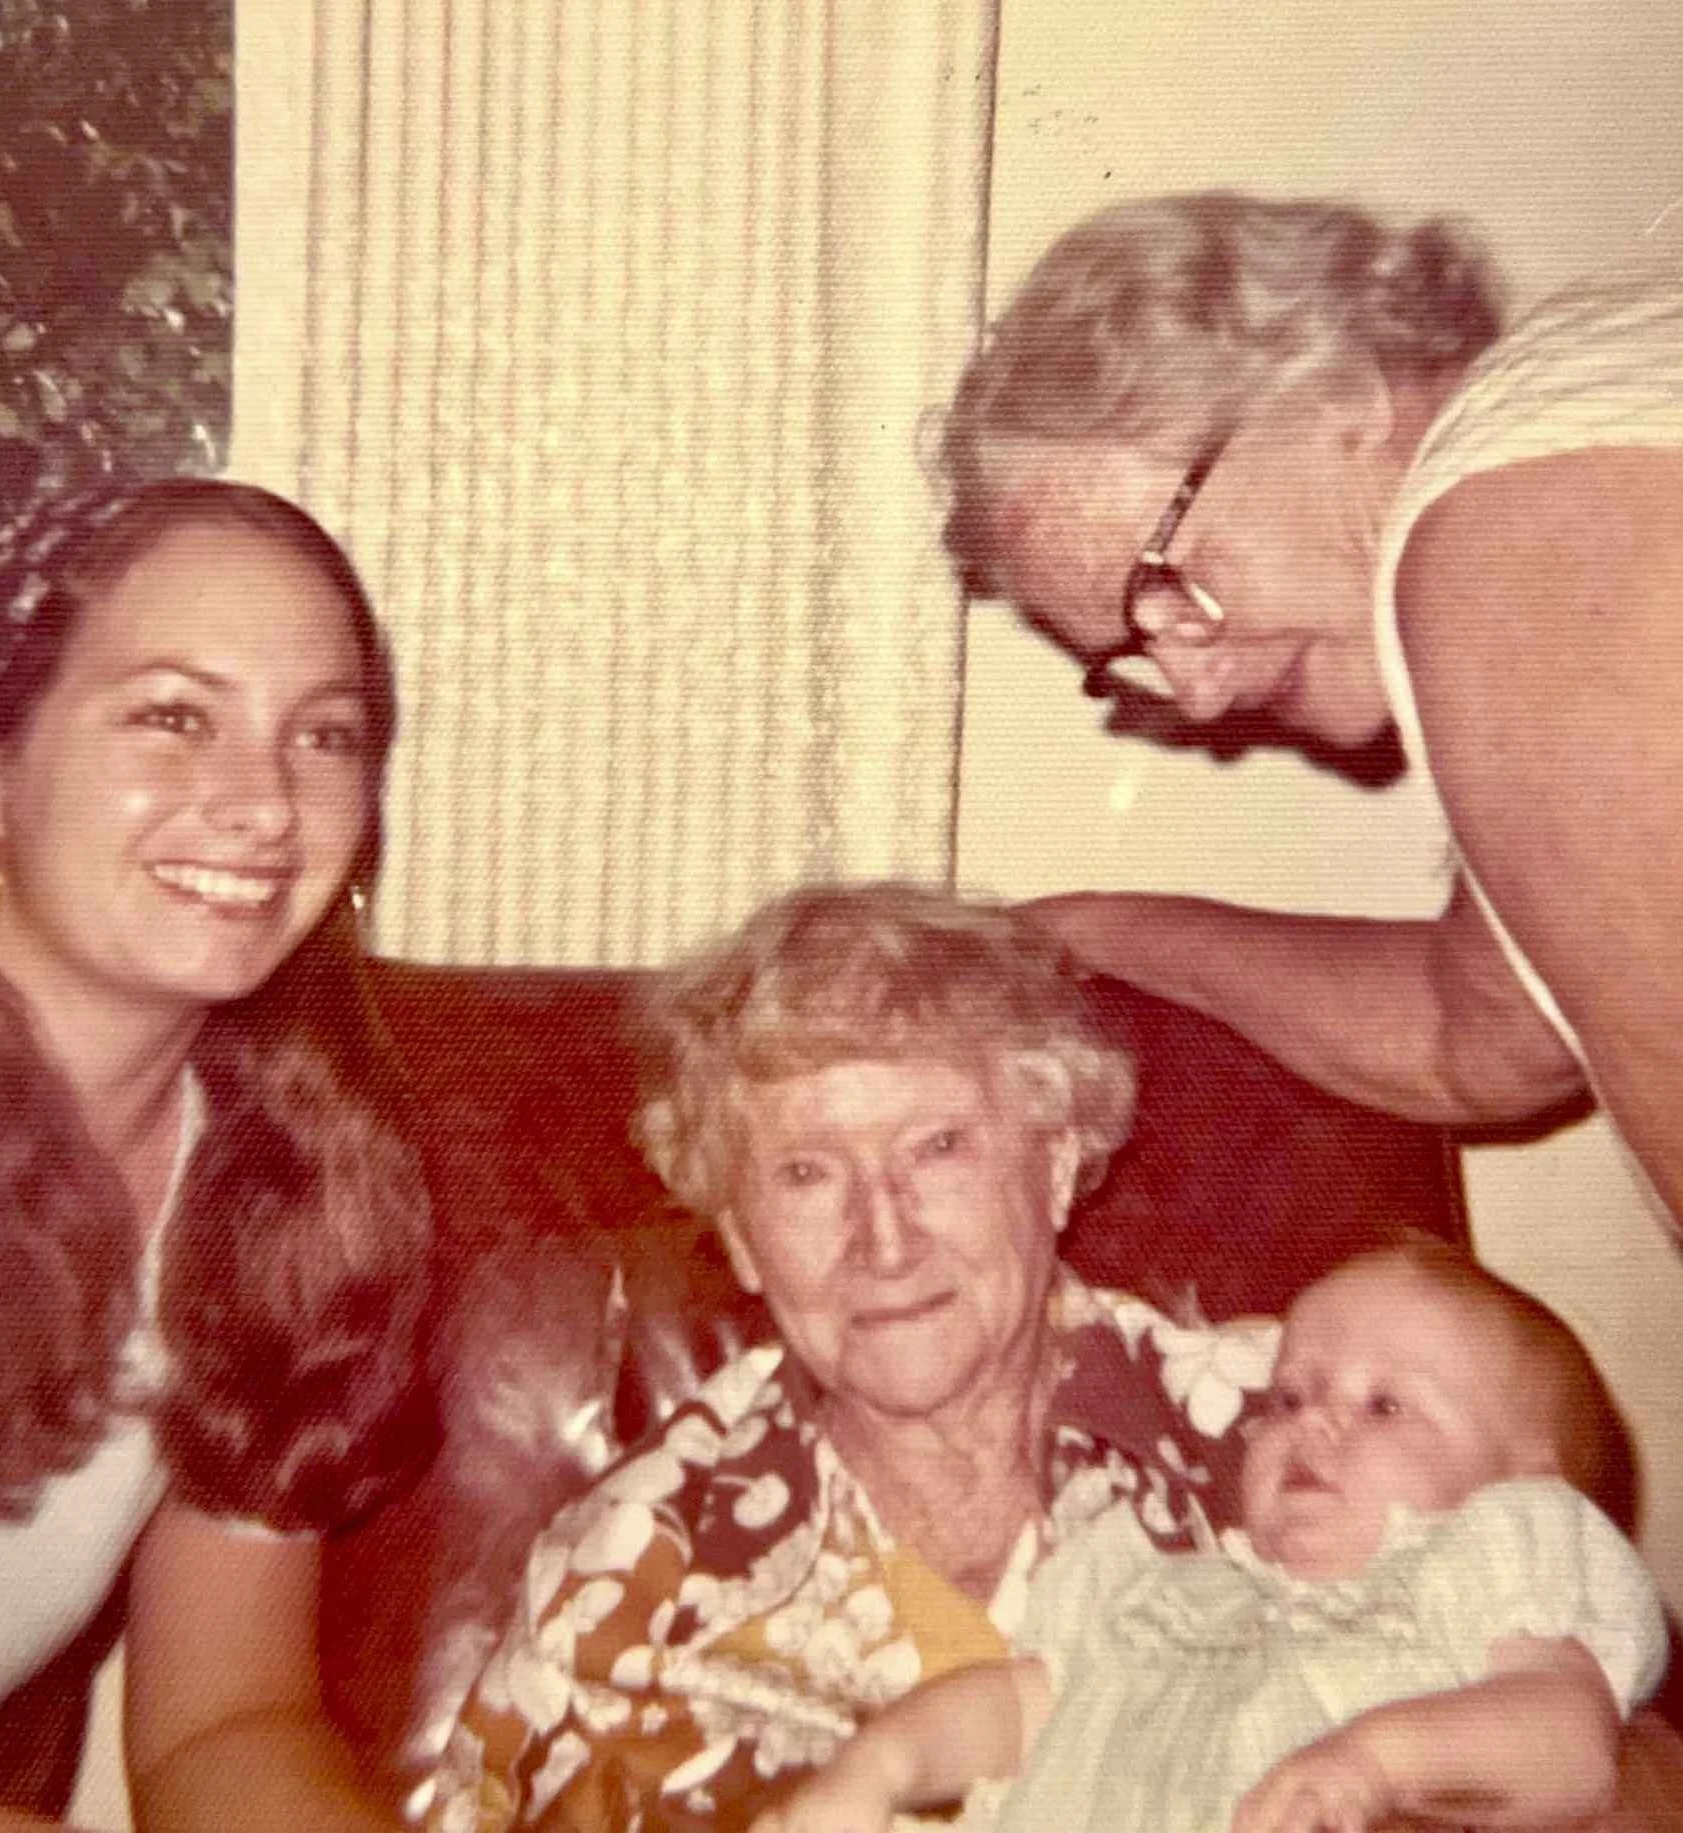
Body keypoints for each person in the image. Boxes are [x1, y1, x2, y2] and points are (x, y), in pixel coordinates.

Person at [417, 882, 1284, 1832]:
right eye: (806, 1172)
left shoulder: (1288, 1440)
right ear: (740, 1236)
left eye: (938, 1147)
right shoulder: (627, 1571)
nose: (885, 1240)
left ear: (1057, 1165)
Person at [934, 193, 1683, 1238]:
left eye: (1165, 583)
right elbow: (1485, 1034)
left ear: (1342, 396)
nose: (1199, 696)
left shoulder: (1497, 539)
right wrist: (1071, 931)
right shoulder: (1568, 422)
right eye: (1134, 652)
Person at [0, 479, 436, 1830]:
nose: (265, 804)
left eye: (323, 736)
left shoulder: (280, 1191)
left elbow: (225, 1720)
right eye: (174, 716)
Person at [755, 1239, 1670, 1833]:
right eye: (1290, 1396)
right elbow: (1015, 1705)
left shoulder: (1490, 1555)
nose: (1313, 1422)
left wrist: (1373, 1765)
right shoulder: (1166, 1592)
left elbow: (1572, 1742)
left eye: (1385, 1405)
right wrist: (877, 1767)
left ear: (1528, 1479)